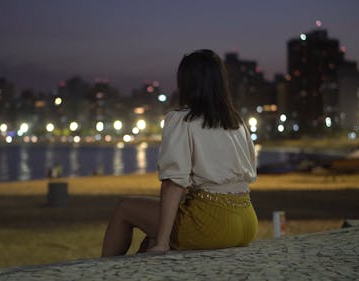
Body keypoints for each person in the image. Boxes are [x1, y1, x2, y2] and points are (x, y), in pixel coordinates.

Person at [101, 49, 258, 257]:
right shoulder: (236, 121)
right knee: (149, 240)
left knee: (125, 207)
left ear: (186, 83)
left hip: (212, 223)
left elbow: (173, 184)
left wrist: (163, 242)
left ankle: (102, 272)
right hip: (247, 221)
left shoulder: (182, 119)